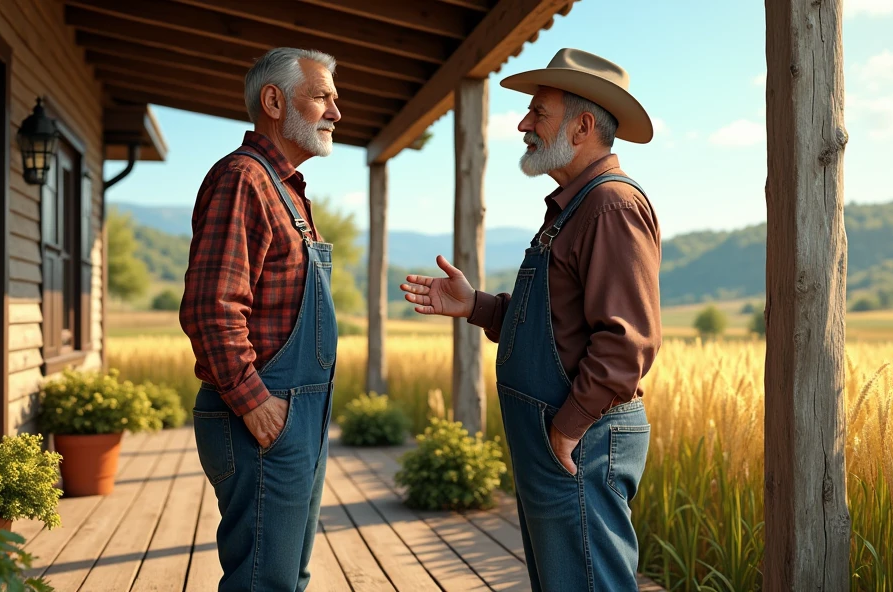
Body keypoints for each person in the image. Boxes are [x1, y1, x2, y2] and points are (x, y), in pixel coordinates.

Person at [401, 48, 662, 592]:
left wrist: (565, 433)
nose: (522, 124)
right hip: (563, 443)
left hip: (581, 442)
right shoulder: (575, 206)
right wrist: (475, 305)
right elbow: (555, 322)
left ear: (583, 125)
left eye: (538, 112)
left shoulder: (610, 206)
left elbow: (627, 344)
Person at [179, 47, 341, 592]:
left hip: (297, 414)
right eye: (322, 97)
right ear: (274, 101)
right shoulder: (243, 178)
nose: (336, 113)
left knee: (285, 577)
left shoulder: (287, 190)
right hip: (263, 415)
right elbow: (212, 306)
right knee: (262, 582)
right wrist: (255, 403)